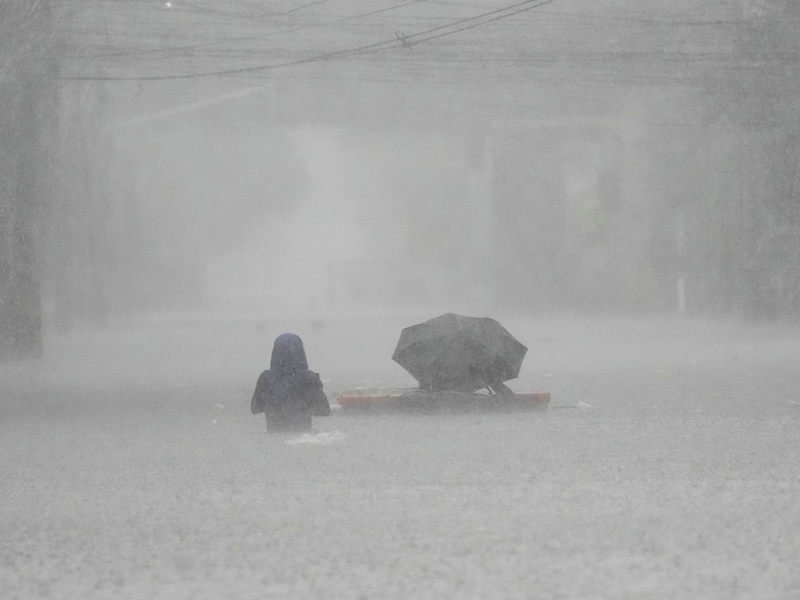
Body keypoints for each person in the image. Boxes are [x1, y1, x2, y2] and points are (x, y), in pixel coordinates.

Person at [251, 333, 330, 433]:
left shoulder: (266, 378)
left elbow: (255, 408)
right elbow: (324, 410)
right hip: (302, 437)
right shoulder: (308, 378)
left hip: (274, 436)